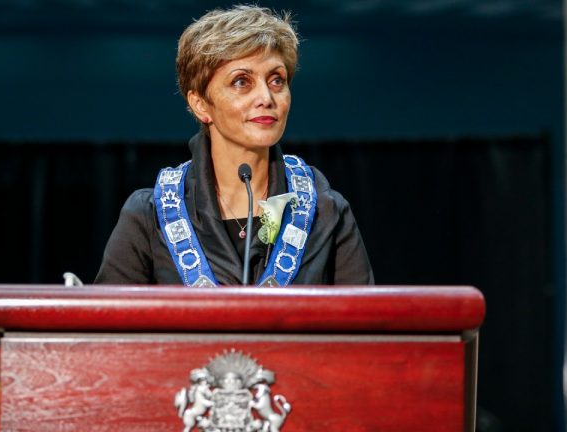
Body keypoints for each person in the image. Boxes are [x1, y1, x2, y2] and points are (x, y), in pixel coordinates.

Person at [95, 5, 373, 286]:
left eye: (277, 80)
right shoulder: (149, 215)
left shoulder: (326, 210)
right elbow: (106, 326)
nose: (266, 97)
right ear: (200, 104)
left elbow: (367, 325)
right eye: (242, 82)